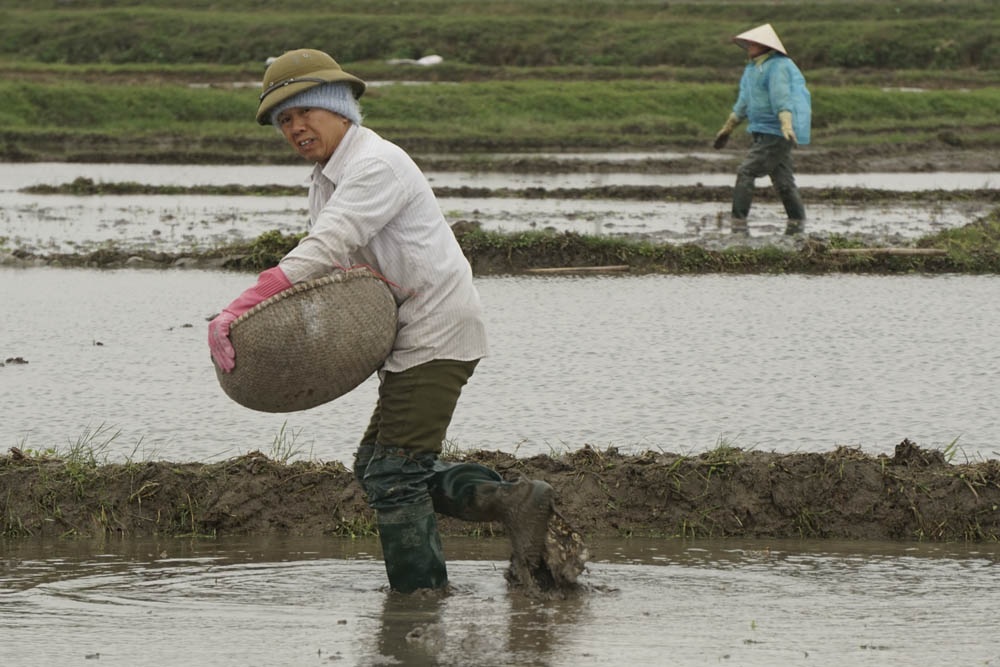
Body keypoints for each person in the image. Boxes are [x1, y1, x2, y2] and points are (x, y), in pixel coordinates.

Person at [208, 48, 557, 594]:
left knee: (395, 477)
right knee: (375, 467)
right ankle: (510, 500)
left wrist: (244, 304)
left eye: (305, 112)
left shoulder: (376, 164)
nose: (295, 127)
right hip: (408, 331)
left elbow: (329, 244)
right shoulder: (327, 178)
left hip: (437, 329)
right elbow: (341, 274)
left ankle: (419, 601)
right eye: (284, 120)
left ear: (339, 108)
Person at [712, 23, 812, 236]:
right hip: (761, 130)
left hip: (776, 132)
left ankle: (738, 223)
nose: (749, 46)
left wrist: (786, 123)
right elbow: (744, 102)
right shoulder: (752, 69)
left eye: (754, 43)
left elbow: (781, 96)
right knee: (784, 183)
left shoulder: (779, 67)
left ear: (766, 46)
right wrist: (728, 128)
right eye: (748, 43)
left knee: (746, 171)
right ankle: (798, 224)